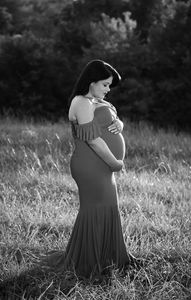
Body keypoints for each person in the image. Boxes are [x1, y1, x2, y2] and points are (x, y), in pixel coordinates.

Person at [41, 59, 138, 282]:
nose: (108, 89)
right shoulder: (82, 102)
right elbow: (93, 140)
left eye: (109, 85)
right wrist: (114, 163)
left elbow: (110, 120)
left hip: (102, 166)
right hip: (91, 164)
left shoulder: (95, 99)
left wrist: (119, 124)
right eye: (105, 84)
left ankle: (110, 258)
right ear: (91, 81)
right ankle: (88, 263)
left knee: (109, 208)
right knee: (95, 210)